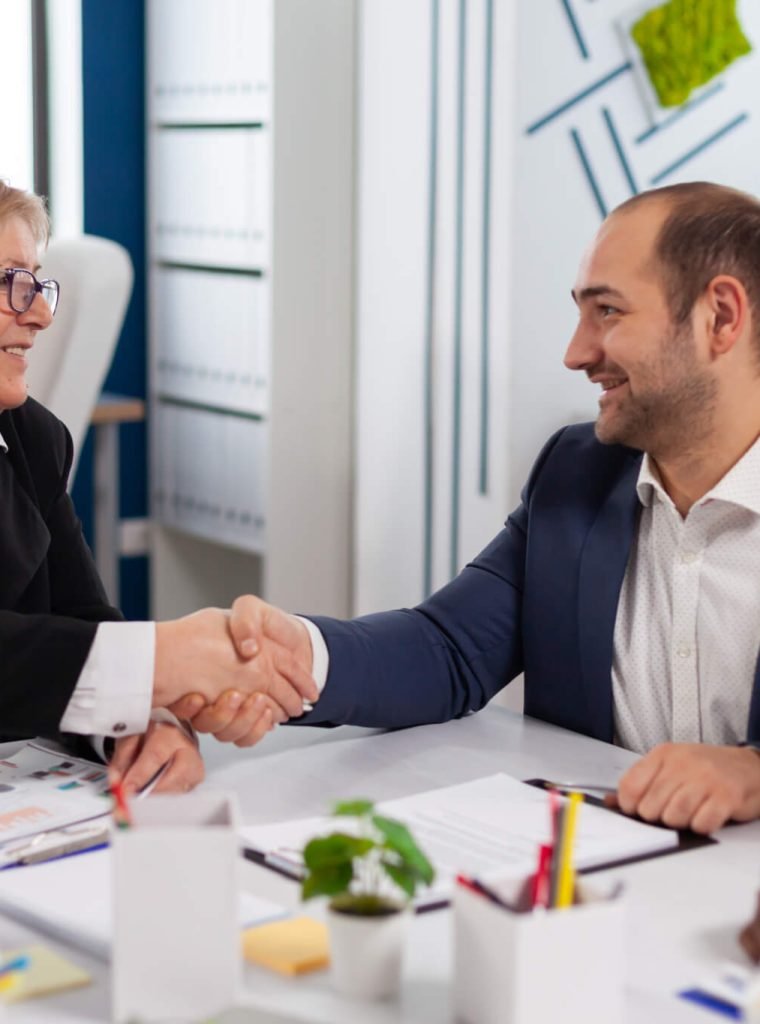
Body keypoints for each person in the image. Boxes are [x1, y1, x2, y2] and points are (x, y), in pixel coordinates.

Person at [192, 181, 760, 835]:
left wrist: (753, 772)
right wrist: (300, 655)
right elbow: (450, 648)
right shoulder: (578, 473)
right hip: (600, 880)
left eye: (607, 312)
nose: (576, 353)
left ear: (720, 317)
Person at [0, 181, 318, 792]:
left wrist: (143, 719)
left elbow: (84, 619)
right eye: (13, 282)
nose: (39, 313)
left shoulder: (33, 439)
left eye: (39, 284)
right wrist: (162, 659)